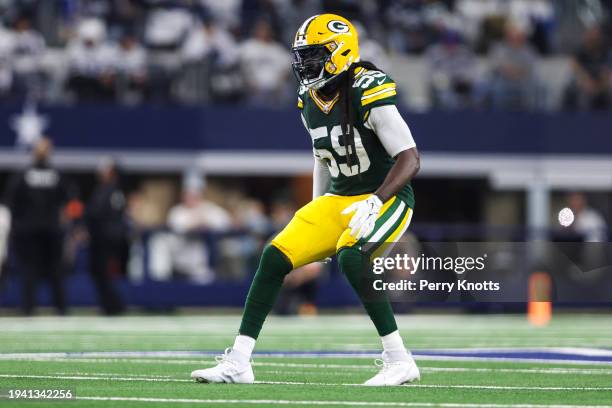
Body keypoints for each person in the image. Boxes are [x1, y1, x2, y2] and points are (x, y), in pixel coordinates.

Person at [192, 14, 421, 386]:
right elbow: (322, 156)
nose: (304, 65)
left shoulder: (368, 88)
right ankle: (239, 361)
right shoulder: (308, 97)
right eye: (302, 56)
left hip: (388, 197)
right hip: (340, 196)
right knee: (273, 257)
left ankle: (399, 359)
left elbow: (410, 158)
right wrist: (317, 206)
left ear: (340, 53)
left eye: (313, 55)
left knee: (352, 256)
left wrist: (377, 201)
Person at [4, 137, 74, 315]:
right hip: (49, 230)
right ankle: (60, 309)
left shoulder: (24, 175)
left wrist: (16, 224)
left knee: (31, 270)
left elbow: (11, 201)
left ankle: (30, 309)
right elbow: (70, 202)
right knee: (52, 271)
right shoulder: (57, 175)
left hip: (31, 230)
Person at [85, 158, 128, 315]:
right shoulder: (107, 189)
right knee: (99, 273)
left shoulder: (112, 190)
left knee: (104, 273)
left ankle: (114, 306)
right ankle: (110, 305)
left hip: (106, 239)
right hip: (104, 237)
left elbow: (99, 214)